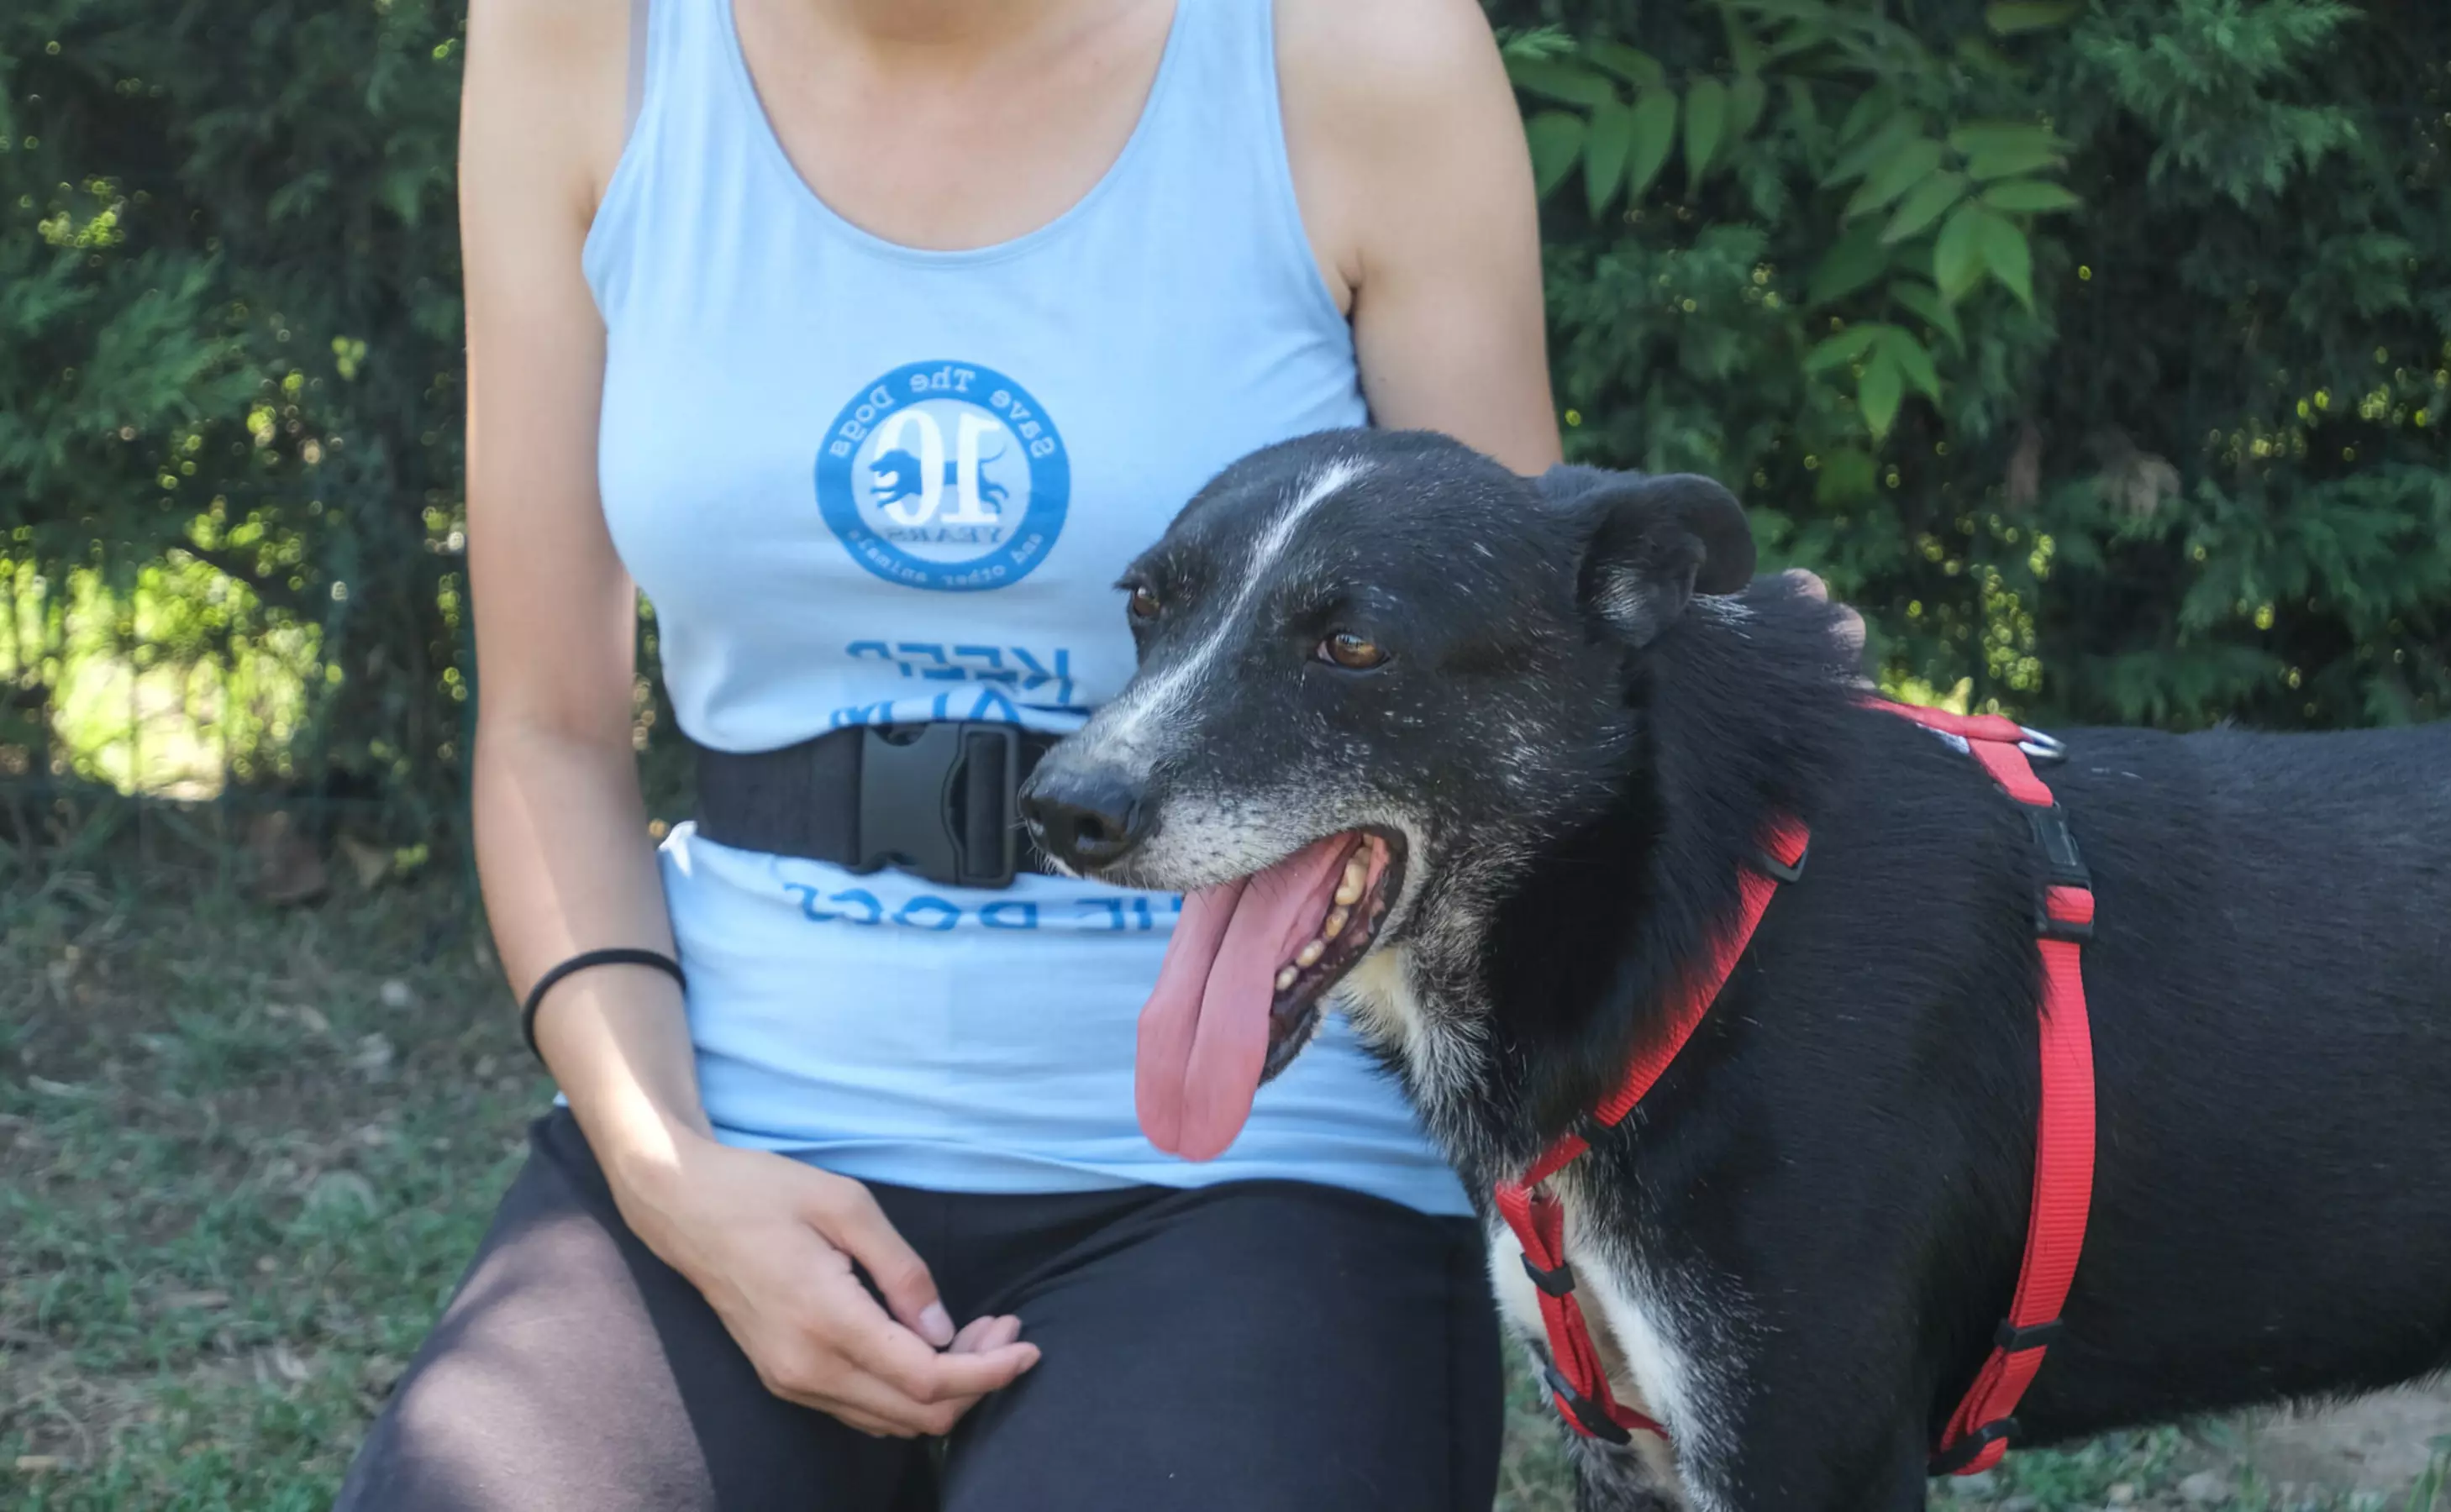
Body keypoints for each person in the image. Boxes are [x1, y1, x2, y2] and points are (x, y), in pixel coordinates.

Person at [334, 0, 1556, 1507]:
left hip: (1257, 1164)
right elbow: (546, 731)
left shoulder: (1355, 51)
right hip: (733, 1129)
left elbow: (1520, 684)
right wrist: (674, 1179)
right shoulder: (583, 39)